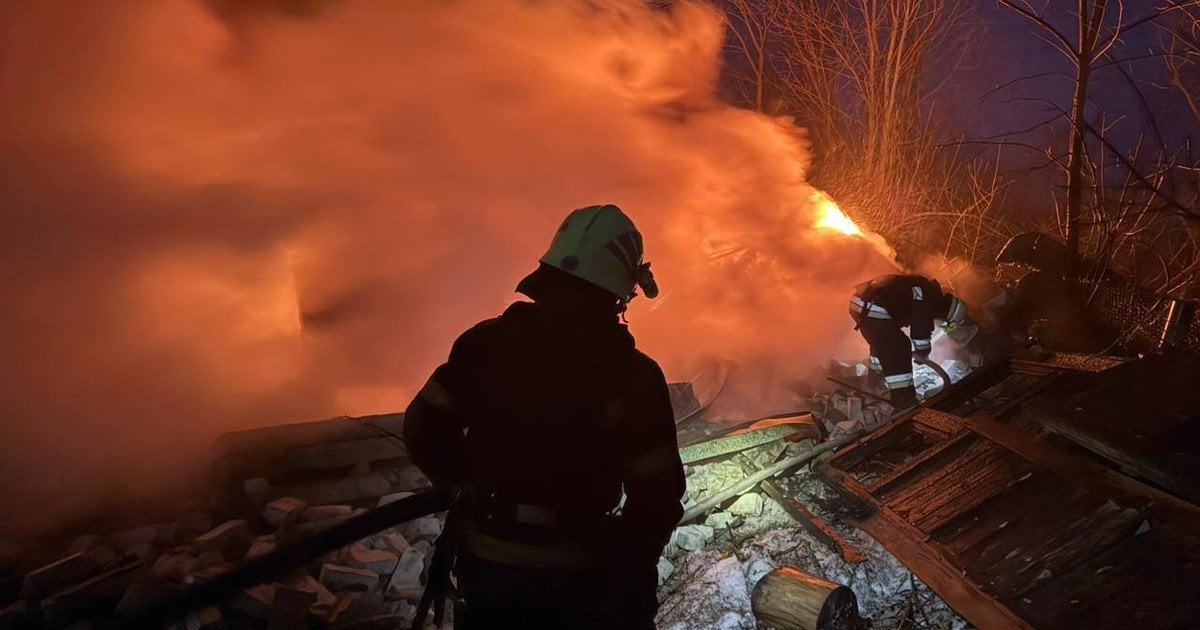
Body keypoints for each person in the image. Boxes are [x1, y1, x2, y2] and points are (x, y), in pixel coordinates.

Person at [403, 204, 685, 629]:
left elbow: (423, 430)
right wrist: (625, 572)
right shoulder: (632, 376)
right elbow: (657, 498)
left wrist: (464, 486)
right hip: (582, 582)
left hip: (489, 572)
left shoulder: (483, 345)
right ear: (622, 289)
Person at [849, 274, 969, 409]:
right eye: (946, 321)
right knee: (899, 347)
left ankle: (874, 382)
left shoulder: (927, 290)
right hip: (872, 308)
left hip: (859, 304)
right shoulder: (930, 299)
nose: (941, 321)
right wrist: (922, 352)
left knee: (883, 344)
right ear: (948, 312)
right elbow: (920, 332)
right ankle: (904, 401)